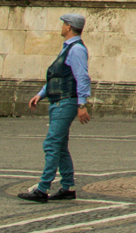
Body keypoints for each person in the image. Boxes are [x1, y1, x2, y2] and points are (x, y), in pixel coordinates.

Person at [19, 13, 91, 202]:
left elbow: (82, 77)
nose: (61, 27)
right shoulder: (68, 49)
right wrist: (41, 94)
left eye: (63, 24)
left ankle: (43, 188)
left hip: (64, 102)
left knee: (51, 144)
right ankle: (67, 186)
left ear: (68, 27)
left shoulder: (76, 50)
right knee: (59, 146)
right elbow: (58, 75)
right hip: (59, 101)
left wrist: (82, 103)